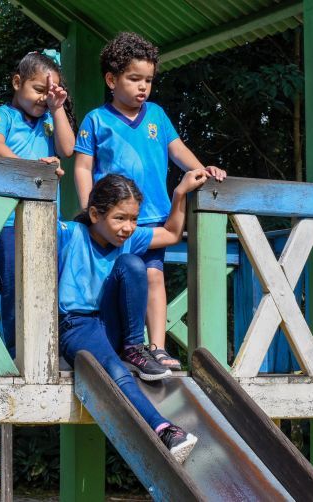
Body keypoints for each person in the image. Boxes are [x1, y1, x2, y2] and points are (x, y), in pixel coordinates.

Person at [74, 32, 226, 374]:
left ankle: (156, 347)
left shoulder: (156, 114)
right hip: (113, 220)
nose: (143, 87)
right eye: (134, 79)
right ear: (111, 80)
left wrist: (202, 170)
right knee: (117, 279)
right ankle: (121, 344)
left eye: (148, 80)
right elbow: (83, 167)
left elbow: (177, 150)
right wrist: (89, 210)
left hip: (153, 217)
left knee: (154, 277)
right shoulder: (96, 120)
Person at [58, 170, 208, 462]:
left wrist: (179, 193)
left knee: (134, 264)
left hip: (110, 324)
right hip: (77, 325)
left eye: (134, 219)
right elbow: (24, 224)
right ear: (94, 214)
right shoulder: (69, 233)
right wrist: (39, 175)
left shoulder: (127, 240)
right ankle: (163, 429)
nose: (128, 227)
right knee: (114, 369)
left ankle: (133, 347)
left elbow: (172, 234)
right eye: (119, 218)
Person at [0, 50, 74, 356]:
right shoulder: (2, 116)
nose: (43, 98)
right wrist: (32, 169)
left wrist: (58, 109)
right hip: (7, 222)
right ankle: (16, 354)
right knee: (16, 287)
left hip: (47, 222)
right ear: (17, 82)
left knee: (50, 286)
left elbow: (68, 149)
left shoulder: (50, 120)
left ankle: (49, 353)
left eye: (49, 92)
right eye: (38, 89)